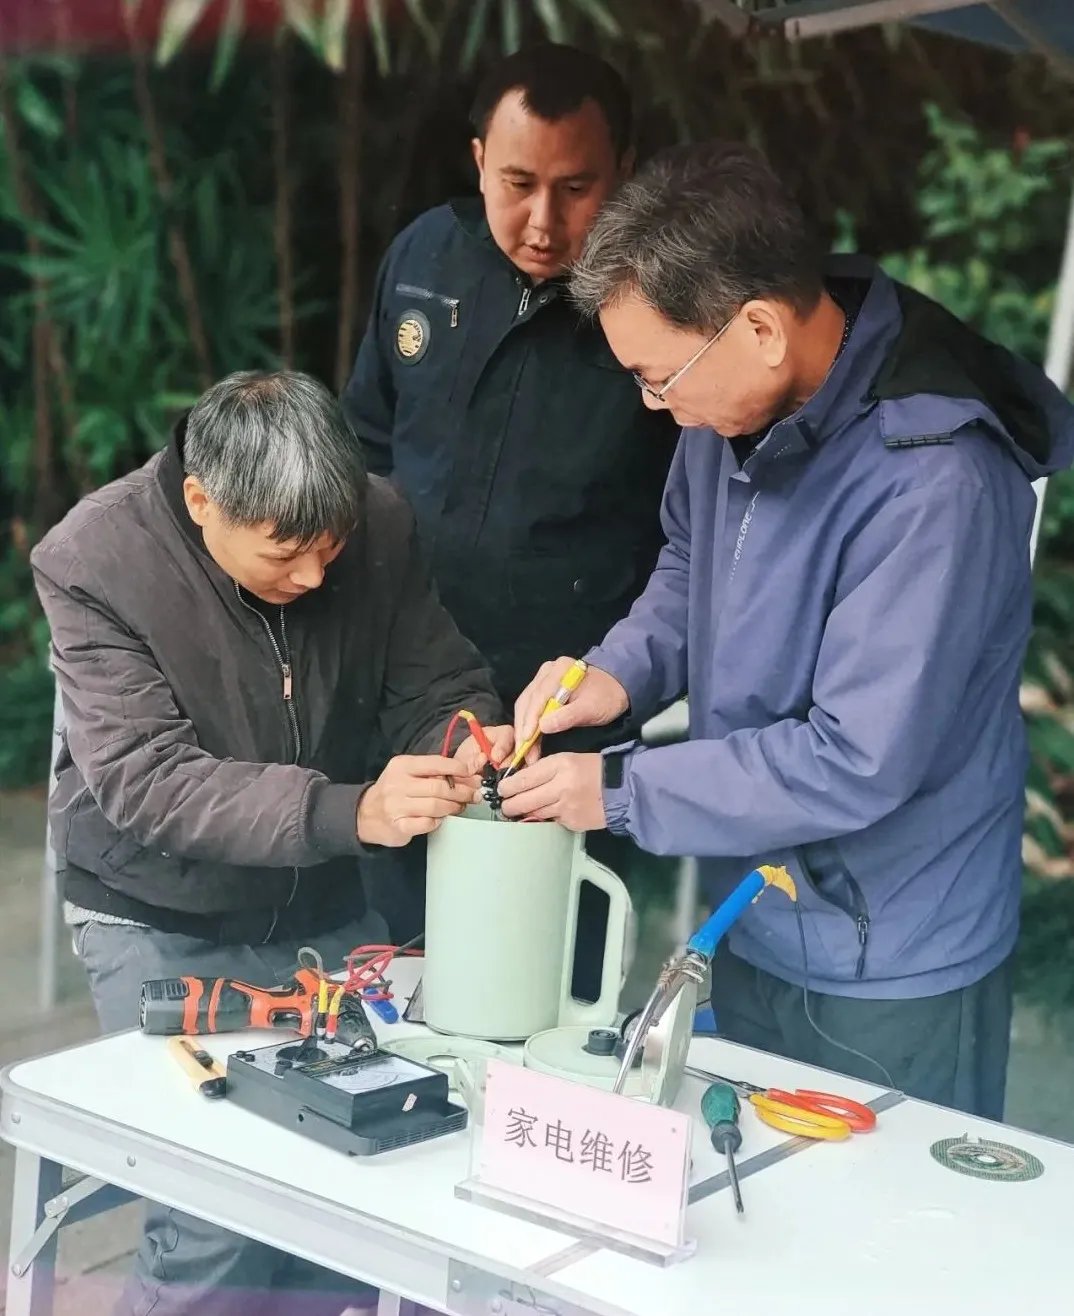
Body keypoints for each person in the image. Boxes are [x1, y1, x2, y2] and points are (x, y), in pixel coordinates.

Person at [501, 140, 1074, 1120]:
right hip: (759, 903)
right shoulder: (727, 414)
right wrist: (615, 675)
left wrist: (620, 790)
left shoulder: (934, 481)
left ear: (761, 327)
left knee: (877, 1213)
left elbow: (855, 758)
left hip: (891, 956)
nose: (654, 405)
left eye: (659, 376)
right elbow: (690, 564)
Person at [30, 370, 509, 1316]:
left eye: (332, 548)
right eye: (287, 554)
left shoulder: (380, 522)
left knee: (359, 1172)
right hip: (157, 910)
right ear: (202, 501)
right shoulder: (96, 558)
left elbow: (438, 681)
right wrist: (350, 813)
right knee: (214, 1206)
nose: (317, 577)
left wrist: (460, 744)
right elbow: (148, 781)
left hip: (323, 904)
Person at [342, 43, 677, 979]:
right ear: (480, 158)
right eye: (518, 183)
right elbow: (365, 443)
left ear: (624, 174)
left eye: (577, 189)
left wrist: (621, 678)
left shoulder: (655, 306)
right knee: (393, 963)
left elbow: (685, 536)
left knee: (543, 972)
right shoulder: (425, 257)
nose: (542, 221)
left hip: (561, 707)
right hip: (405, 689)